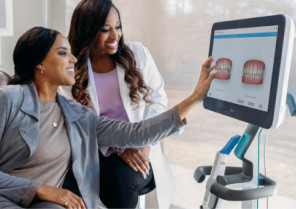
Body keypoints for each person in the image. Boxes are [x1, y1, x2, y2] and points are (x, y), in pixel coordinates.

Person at [0, 26, 216, 209]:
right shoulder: (8, 99)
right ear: (40, 63)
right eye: (63, 53)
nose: (74, 59)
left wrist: (194, 99)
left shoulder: (77, 114)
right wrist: (39, 189)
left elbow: (135, 133)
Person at [59, 0, 181, 208]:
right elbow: (81, 124)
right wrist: (119, 149)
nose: (115, 36)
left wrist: (144, 144)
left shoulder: (138, 54)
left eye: (118, 27)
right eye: (105, 30)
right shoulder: (71, 70)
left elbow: (159, 102)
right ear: (86, 31)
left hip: (143, 151)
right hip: (99, 150)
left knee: (120, 180)